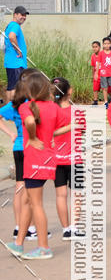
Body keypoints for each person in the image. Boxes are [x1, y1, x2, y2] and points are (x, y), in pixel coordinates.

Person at [6, 69, 71, 260]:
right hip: (49, 158)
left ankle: (43, 247)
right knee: (27, 200)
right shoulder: (53, 107)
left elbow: (29, 122)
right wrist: (48, 136)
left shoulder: (28, 107)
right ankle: (18, 243)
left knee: (36, 204)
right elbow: (63, 127)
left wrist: (33, 137)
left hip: (34, 159)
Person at [0, 78, 35, 241]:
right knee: (30, 188)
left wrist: (11, 134)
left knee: (19, 186)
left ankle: (18, 226)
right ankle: (28, 228)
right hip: (29, 148)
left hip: (18, 148)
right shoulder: (32, 104)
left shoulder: (14, 104)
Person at [52, 77, 76, 240]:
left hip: (56, 158)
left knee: (60, 195)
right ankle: (74, 227)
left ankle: (65, 229)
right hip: (75, 158)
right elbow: (82, 132)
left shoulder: (51, 110)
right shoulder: (76, 111)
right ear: (69, 91)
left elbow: (50, 133)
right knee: (77, 193)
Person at [3, 5, 28, 101]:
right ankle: (15, 110)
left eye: (25, 15)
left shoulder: (9, 25)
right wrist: (19, 50)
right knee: (16, 88)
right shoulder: (15, 26)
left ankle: (10, 110)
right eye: (22, 15)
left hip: (10, 62)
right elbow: (12, 36)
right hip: (16, 62)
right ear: (15, 15)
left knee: (11, 87)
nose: (24, 17)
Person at [98, 36, 111, 107]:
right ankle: (105, 101)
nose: (107, 45)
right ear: (103, 44)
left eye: (108, 43)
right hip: (103, 73)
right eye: (105, 43)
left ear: (110, 44)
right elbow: (98, 63)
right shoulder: (101, 53)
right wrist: (96, 73)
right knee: (104, 88)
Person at [91, 40, 101, 105]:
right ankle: (95, 100)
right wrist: (93, 75)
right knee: (95, 88)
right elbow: (93, 66)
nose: (94, 48)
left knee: (106, 88)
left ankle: (110, 100)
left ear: (99, 47)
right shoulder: (93, 56)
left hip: (103, 74)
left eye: (96, 47)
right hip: (96, 74)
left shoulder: (102, 54)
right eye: (93, 47)